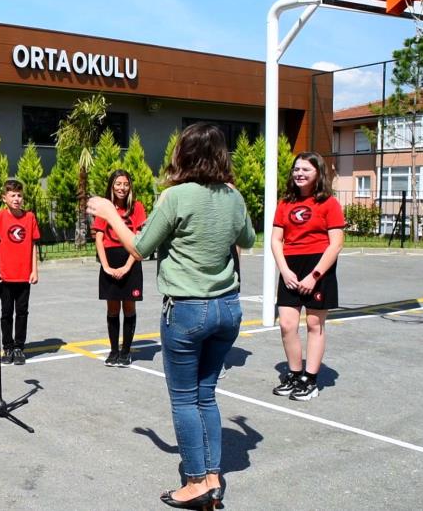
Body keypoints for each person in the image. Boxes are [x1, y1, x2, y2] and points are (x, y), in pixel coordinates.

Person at [88, 122, 255, 510]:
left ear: (185, 154)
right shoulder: (232, 195)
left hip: (187, 310)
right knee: (205, 394)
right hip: (228, 307)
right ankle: (212, 477)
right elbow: (247, 239)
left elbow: (140, 247)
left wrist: (110, 213)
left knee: (184, 399)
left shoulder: (175, 196)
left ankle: (196, 481)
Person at [271, 152, 344, 402]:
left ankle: (310, 380)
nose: (299, 173)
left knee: (314, 324)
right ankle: (294, 374)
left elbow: (336, 244)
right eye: (296, 169)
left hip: (318, 265)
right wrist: (284, 270)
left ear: (318, 173)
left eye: (305, 169)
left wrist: (314, 276)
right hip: (290, 267)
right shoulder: (285, 203)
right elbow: (276, 240)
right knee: (287, 324)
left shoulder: (329, 203)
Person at [91, 169, 146, 367]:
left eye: (125, 184)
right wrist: (106, 266)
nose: (122, 188)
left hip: (130, 260)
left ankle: (126, 352)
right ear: (112, 186)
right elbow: (99, 238)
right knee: (113, 308)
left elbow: (139, 239)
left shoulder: (137, 207)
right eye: (118, 184)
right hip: (110, 261)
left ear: (130, 187)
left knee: (129, 307)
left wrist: (127, 266)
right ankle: (114, 351)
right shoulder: (105, 208)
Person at [0, 179, 40, 365]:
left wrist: (34, 270)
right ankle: (7, 347)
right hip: (5, 274)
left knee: (22, 312)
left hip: (23, 274)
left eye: (19, 195)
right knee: (6, 313)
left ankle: (19, 347)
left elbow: (33, 244)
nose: (17, 199)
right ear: (4, 198)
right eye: (12, 195)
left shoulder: (29, 217)